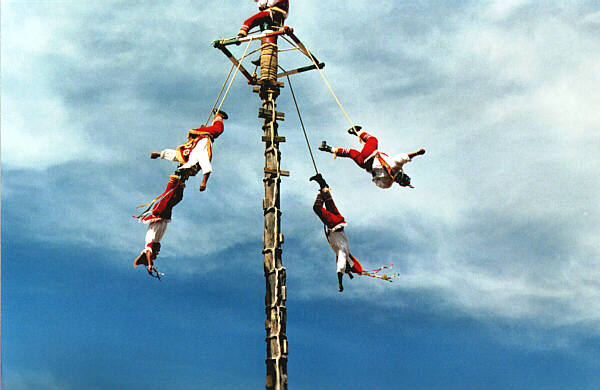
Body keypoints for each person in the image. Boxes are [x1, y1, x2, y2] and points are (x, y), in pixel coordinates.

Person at [318, 126, 425, 189]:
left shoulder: (395, 167)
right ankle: (329, 148)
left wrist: (417, 153)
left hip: (370, 155)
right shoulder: (388, 184)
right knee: (351, 153)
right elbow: (376, 182)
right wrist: (373, 173)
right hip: (364, 164)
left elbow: (403, 157)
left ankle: (357, 131)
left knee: (373, 140)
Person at [310, 173, 364, 292]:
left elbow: (345, 267)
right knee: (317, 208)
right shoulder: (343, 253)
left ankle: (321, 181)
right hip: (334, 223)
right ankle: (321, 190)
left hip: (338, 221)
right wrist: (340, 284)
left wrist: (349, 273)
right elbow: (341, 268)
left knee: (328, 201)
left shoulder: (342, 251)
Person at [150, 110, 228, 192]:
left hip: (205, 135)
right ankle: (218, 116)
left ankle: (219, 115)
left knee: (218, 129)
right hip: (200, 136)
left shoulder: (197, 158)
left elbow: (207, 168)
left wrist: (204, 183)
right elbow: (174, 154)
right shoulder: (187, 157)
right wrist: (158, 154)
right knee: (217, 129)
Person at [133, 174, 185, 277]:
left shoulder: (149, 243)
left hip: (158, 214)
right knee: (177, 198)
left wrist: (149, 264)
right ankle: (181, 183)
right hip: (164, 217)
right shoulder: (157, 239)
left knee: (168, 197)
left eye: (155, 254)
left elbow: (148, 252)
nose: (158, 252)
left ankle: (173, 181)